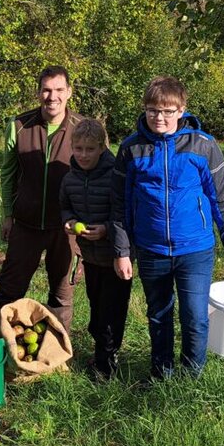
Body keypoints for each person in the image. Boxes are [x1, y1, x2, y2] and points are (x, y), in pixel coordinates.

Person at [110, 76, 224, 380]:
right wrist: (122, 251)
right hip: (151, 249)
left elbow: (221, 199)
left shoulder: (203, 145)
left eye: (167, 111)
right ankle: (162, 374)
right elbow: (120, 205)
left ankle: (191, 376)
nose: (159, 117)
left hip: (195, 249)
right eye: (152, 110)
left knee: (195, 317)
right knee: (158, 316)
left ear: (182, 110)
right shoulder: (131, 148)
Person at [0, 66, 86, 332]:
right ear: (38, 92)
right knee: (9, 291)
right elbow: (8, 174)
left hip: (66, 229)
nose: (52, 96)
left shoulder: (82, 128)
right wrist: (8, 214)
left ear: (69, 92)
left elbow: (98, 178)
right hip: (26, 224)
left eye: (59, 90)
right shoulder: (20, 126)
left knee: (62, 297)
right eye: (46, 90)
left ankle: (57, 349)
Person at [59, 118, 132, 381]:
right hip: (90, 256)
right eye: (78, 149)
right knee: (96, 308)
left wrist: (105, 229)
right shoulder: (70, 179)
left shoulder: (115, 176)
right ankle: (102, 350)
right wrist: (69, 222)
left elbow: (125, 213)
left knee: (112, 311)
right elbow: (65, 206)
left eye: (90, 149)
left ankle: (106, 364)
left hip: (116, 256)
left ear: (102, 147)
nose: (83, 155)